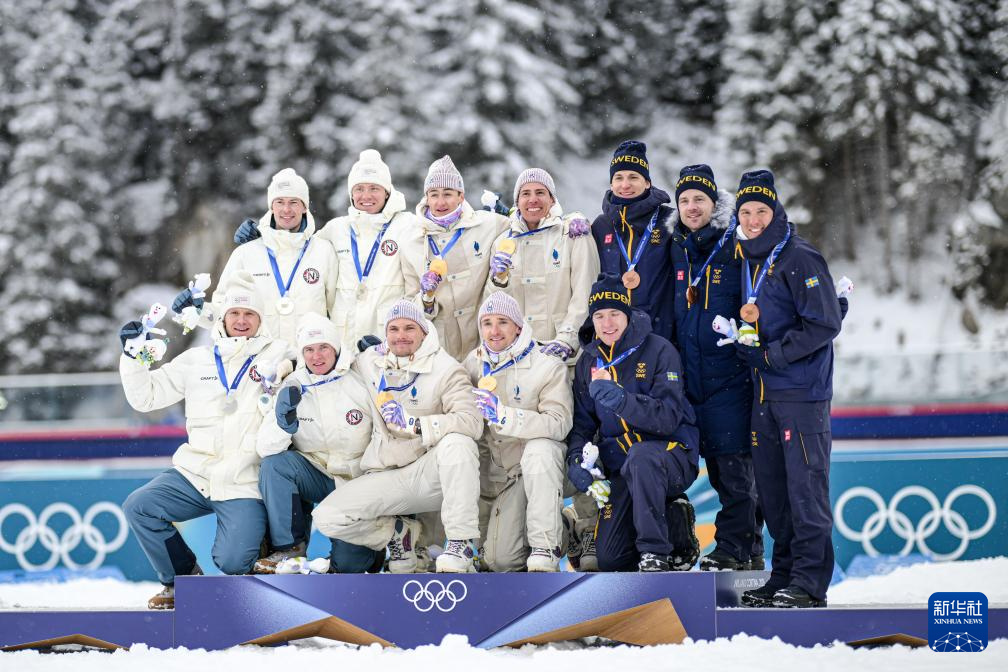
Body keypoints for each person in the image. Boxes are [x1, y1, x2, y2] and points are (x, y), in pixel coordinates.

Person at [120, 274, 294, 609]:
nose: (241, 320)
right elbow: (147, 397)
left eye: (250, 314)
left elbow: (314, 357)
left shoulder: (277, 354)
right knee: (139, 506)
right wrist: (133, 358)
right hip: (195, 473)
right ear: (223, 319)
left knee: (232, 562)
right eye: (234, 313)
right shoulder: (195, 360)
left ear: (261, 320)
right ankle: (180, 581)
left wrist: (289, 365)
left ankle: (257, 548)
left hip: (244, 479)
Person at [729, 170, 842, 608]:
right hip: (763, 394)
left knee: (805, 490)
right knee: (774, 494)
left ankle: (809, 583)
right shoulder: (746, 257)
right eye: (746, 212)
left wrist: (773, 354)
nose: (753, 220)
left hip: (801, 394)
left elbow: (825, 323)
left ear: (775, 211)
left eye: (761, 211)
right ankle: (783, 577)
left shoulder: (800, 256)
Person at [313, 299, 483, 573]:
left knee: (459, 443)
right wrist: (287, 368)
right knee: (326, 516)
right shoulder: (371, 361)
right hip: (387, 475)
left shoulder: (446, 368)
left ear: (424, 332)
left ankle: (460, 543)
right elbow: (328, 362)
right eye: (393, 329)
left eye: (409, 328)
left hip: (429, 474)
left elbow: (471, 422)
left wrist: (417, 425)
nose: (400, 336)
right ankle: (398, 533)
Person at [566, 274, 701, 572]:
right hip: (622, 466)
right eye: (599, 316)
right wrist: (576, 459)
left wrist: (622, 400)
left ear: (627, 314)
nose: (607, 323)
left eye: (614, 314)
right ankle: (668, 522)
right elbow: (583, 425)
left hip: (671, 455)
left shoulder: (659, 350)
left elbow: (667, 418)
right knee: (610, 558)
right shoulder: (588, 361)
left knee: (642, 458)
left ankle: (657, 551)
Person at [666, 164, 764, 571]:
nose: (692, 207)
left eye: (699, 200)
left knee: (733, 471)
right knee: (703, 471)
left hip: (729, 377)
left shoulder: (735, 243)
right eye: (685, 200)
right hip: (690, 379)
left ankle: (735, 549)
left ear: (714, 203)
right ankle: (747, 551)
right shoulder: (675, 246)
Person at [254, 312, 385, 574]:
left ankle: (372, 552)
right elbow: (265, 449)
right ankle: (291, 547)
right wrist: (283, 424)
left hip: (358, 481)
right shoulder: (293, 384)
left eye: (324, 347)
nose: (317, 356)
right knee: (275, 465)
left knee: (348, 567)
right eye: (309, 350)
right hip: (316, 474)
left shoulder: (360, 377)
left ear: (335, 348)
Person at [462, 292, 572, 572]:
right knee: (502, 561)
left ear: (519, 327)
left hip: (538, 467)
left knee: (541, 449)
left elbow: (559, 423)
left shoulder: (547, 364)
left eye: (503, 322)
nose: (494, 331)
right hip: (500, 475)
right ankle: (564, 526)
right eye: (487, 323)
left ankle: (547, 545)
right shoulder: (472, 363)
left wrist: (505, 416)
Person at [197, 169, 338, 349]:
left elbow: (338, 310)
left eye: (294, 202)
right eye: (280, 202)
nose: (286, 209)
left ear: (304, 207)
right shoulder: (247, 253)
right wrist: (196, 310)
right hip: (260, 360)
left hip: (310, 359)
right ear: (271, 206)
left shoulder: (323, 251)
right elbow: (222, 310)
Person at [484, 168, 600, 363]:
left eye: (540, 192)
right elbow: (492, 306)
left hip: (565, 356)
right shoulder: (502, 242)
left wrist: (567, 340)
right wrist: (499, 280)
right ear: (517, 201)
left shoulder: (573, 234)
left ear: (552, 199)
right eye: (525, 194)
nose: (533, 200)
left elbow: (585, 293)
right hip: (518, 358)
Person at [315, 149, 427, 348]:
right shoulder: (336, 229)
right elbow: (300, 251)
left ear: (387, 192)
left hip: (388, 339)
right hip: (344, 339)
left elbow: (441, 236)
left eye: (374, 188)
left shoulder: (407, 224)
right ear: (351, 194)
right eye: (359, 189)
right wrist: (262, 237)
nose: (366, 195)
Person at [416, 155, 509, 360]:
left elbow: (528, 221)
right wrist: (426, 298)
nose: (440, 202)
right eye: (434, 194)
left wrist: (569, 221)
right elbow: (409, 303)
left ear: (461, 196)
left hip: (483, 340)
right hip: (439, 347)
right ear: (426, 198)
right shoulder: (412, 237)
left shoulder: (486, 224)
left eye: (448, 194)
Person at [591, 141, 677, 342]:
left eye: (633, 177)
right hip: (614, 336)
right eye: (618, 178)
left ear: (647, 182)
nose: (625, 185)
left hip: (660, 334)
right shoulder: (601, 226)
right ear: (611, 184)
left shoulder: (669, 220)